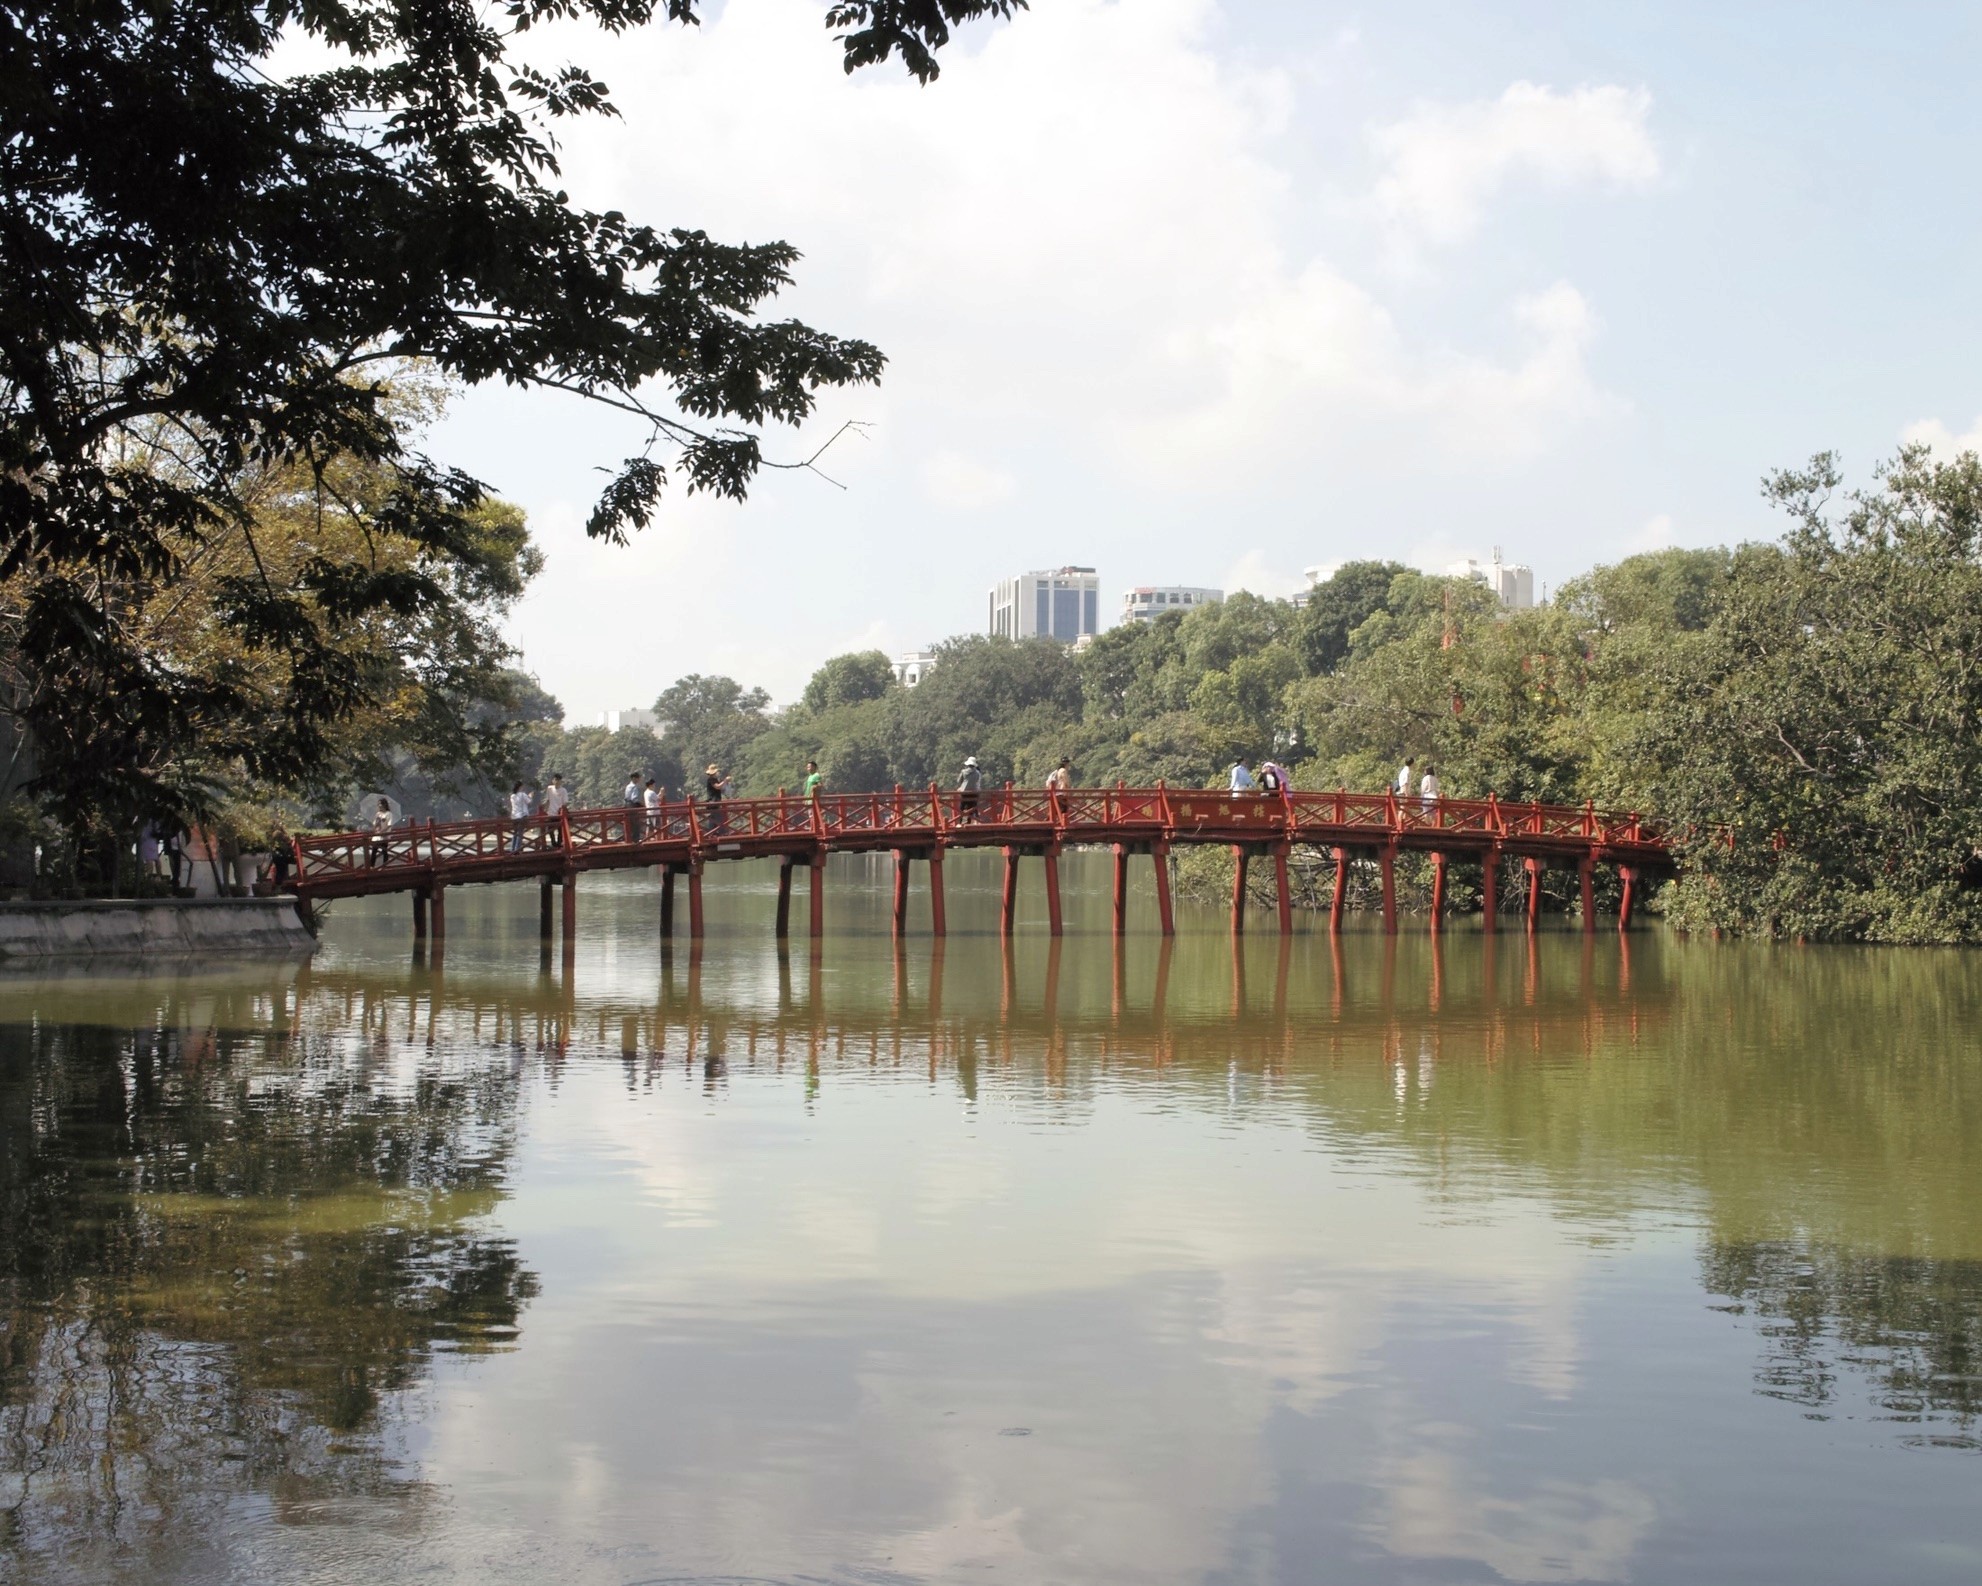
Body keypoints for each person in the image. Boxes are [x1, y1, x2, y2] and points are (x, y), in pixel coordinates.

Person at [704, 763, 731, 835]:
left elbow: (720, 789)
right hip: (713, 801)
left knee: (713, 818)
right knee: (718, 818)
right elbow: (718, 787)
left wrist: (725, 783)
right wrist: (725, 780)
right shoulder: (711, 780)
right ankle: (722, 833)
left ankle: (711, 833)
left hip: (714, 801)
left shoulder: (714, 779)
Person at [542, 774, 568, 845]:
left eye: (558, 780)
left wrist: (561, 810)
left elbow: (565, 802)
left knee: (560, 829)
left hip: (559, 813)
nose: (557, 781)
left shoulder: (563, 790)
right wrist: (545, 809)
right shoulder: (550, 789)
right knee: (550, 829)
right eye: (555, 780)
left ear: (560, 781)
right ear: (553, 780)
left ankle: (559, 843)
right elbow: (548, 800)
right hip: (551, 812)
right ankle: (553, 843)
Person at [508, 781, 534, 852]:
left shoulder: (512, 796)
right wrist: (530, 796)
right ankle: (517, 849)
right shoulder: (522, 794)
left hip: (514, 817)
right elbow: (529, 802)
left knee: (515, 833)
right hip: (521, 816)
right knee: (520, 834)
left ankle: (512, 849)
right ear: (520, 787)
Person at [368, 798, 393, 866]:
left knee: (384, 851)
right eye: (378, 804)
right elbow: (375, 824)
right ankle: (371, 866)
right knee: (374, 851)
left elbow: (389, 825)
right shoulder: (378, 814)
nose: (379, 805)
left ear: (384, 804)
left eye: (381, 804)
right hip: (377, 835)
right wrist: (374, 830)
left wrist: (382, 831)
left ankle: (385, 866)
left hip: (384, 835)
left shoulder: (389, 814)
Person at [956, 755, 982, 822]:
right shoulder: (978, 773)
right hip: (974, 792)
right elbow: (977, 781)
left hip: (964, 792)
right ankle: (969, 820)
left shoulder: (963, 772)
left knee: (962, 806)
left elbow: (959, 781)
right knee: (972, 807)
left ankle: (960, 820)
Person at [623, 771, 643, 841]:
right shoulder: (634, 787)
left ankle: (629, 839)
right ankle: (635, 839)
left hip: (627, 805)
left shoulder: (628, 786)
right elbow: (634, 799)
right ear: (634, 778)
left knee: (629, 823)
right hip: (632, 805)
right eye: (638, 778)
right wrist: (641, 805)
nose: (639, 779)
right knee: (636, 823)